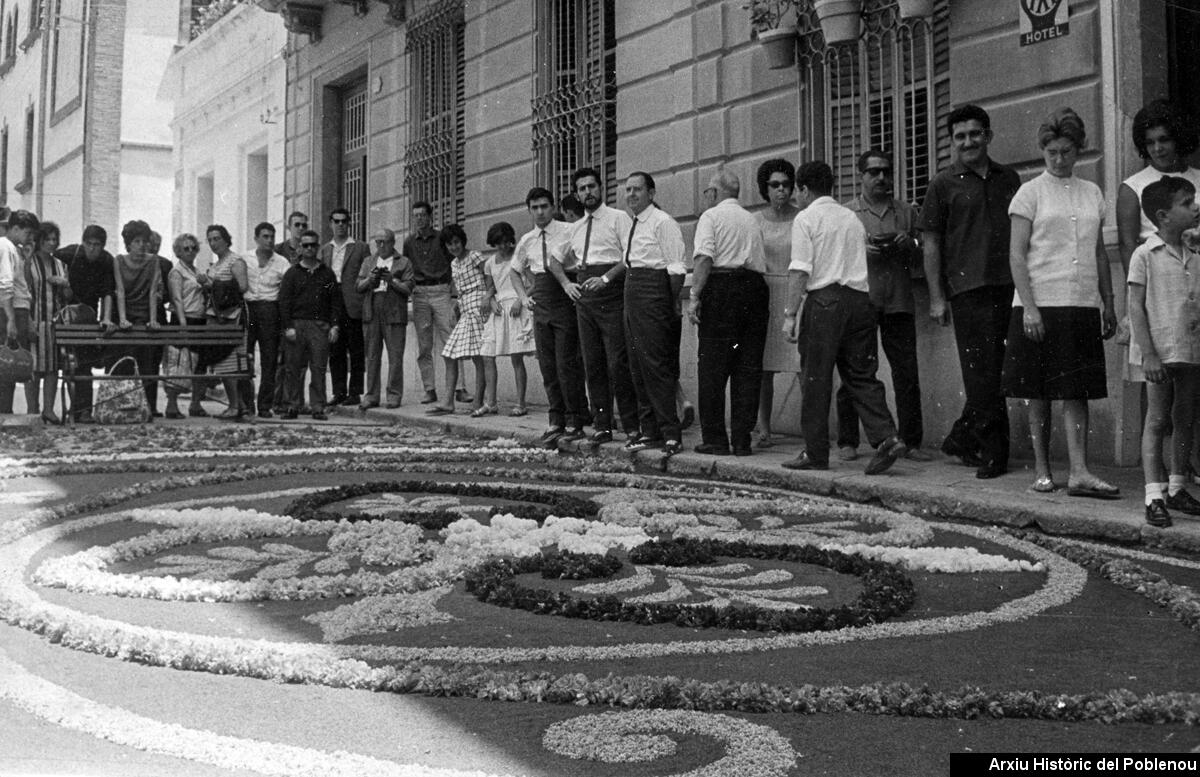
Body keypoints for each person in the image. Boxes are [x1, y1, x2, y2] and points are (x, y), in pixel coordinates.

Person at [1002, 108, 1118, 497]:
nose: (1059, 158)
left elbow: (1099, 253)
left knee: (1076, 389)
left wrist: (1108, 302)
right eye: (1051, 151)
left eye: (1066, 150)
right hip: (1039, 302)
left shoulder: (1093, 193)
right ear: (1043, 151)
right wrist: (1030, 308)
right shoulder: (1029, 193)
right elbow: (1017, 256)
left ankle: (1080, 471)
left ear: (1078, 149)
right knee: (1038, 389)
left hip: (1080, 302)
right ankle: (1041, 469)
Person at [781, 161, 906, 475]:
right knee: (862, 376)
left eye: (798, 190)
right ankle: (886, 437)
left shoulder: (806, 218)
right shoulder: (852, 218)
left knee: (816, 378)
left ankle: (815, 452)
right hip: (861, 301)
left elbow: (799, 270)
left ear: (804, 189)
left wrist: (790, 314)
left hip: (825, 301)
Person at [921, 104, 1021, 479]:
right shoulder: (942, 183)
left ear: (988, 136)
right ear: (952, 142)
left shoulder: (1009, 178)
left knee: (1002, 372)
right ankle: (994, 453)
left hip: (1008, 288)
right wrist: (935, 297)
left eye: (975, 134)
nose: (968, 142)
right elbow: (931, 243)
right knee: (981, 375)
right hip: (967, 290)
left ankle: (962, 437)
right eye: (960, 136)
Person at [837, 150, 929, 462]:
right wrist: (861, 250)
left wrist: (910, 243)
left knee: (907, 373)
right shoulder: (847, 213)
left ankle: (911, 441)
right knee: (856, 372)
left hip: (899, 301)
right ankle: (848, 440)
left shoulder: (906, 211)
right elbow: (837, 257)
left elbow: (924, 252)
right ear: (860, 176)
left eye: (886, 172)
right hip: (861, 301)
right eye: (873, 172)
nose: (881, 178)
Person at [1128, 177, 1200, 527]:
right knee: (1157, 419)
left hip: (1190, 348)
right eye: (1187, 203)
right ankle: (1153, 494)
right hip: (1159, 349)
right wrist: (1149, 354)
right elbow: (1136, 307)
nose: (1196, 207)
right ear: (1163, 215)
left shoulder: (1194, 256)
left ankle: (1176, 486)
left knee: (1184, 416)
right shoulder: (1145, 254)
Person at [686, 169, 768, 458]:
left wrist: (694, 297)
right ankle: (743, 439)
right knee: (747, 367)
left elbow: (704, 258)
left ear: (716, 192)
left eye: (709, 191)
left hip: (722, 290)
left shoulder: (711, 217)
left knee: (713, 369)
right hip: (754, 291)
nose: (707, 196)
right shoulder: (752, 219)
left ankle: (716, 439)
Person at [560, 166, 638, 443]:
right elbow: (554, 261)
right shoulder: (576, 227)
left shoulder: (619, 218)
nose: (587, 192)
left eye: (591, 186)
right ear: (576, 194)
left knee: (618, 362)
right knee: (592, 363)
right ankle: (602, 424)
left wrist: (606, 278)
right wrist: (567, 284)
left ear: (601, 188)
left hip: (612, 293)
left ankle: (631, 425)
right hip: (585, 298)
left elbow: (630, 256)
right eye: (582, 189)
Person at [510, 187, 588, 441]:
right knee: (548, 365)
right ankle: (556, 420)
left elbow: (581, 261)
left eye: (544, 206)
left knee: (568, 364)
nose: (540, 212)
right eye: (535, 208)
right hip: (541, 302)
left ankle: (576, 420)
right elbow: (514, 271)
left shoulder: (568, 230)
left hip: (565, 298)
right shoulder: (527, 239)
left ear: (553, 207)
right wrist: (523, 298)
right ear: (529, 210)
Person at [622, 171, 686, 450]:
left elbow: (676, 269)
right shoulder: (632, 223)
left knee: (656, 365)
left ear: (651, 193)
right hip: (632, 289)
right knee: (636, 365)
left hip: (654, 290)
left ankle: (671, 432)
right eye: (628, 190)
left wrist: (666, 301)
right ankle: (650, 431)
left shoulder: (663, 222)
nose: (632, 195)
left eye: (637, 190)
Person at [753, 159, 802, 449]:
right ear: (765, 188)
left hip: (796, 291)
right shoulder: (756, 221)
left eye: (785, 184)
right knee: (764, 368)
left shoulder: (802, 217)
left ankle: (812, 429)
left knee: (803, 365)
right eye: (774, 185)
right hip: (767, 293)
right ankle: (764, 428)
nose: (781, 190)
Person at [404, 201, 469, 405]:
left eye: (423, 215)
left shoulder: (442, 237)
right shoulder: (408, 242)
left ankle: (460, 388)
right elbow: (407, 267)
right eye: (415, 215)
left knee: (451, 339)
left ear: (430, 217)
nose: (419, 219)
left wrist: (454, 293)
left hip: (441, 290)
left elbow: (455, 261)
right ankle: (429, 389)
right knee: (424, 345)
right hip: (420, 293)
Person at [279, 230, 344, 420]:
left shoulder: (327, 274)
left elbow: (335, 302)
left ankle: (317, 407)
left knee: (318, 368)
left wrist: (334, 326)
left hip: (319, 326)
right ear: (300, 247)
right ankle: (292, 405)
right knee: (293, 367)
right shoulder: (292, 273)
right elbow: (284, 302)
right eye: (305, 245)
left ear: (318, 247)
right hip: (297, 326)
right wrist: (288, 326)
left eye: (313, 245)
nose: (309, 249)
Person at [55, 225, 115, 423]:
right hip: (66, 315)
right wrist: (61, 281)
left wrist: (105, 318)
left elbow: (108, 292)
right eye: (89, 244)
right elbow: (48, 257)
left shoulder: (106, 260)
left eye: (97, 245)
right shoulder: (69, 253)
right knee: (70, 364)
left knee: (85, 364)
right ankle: (74, 409)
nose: (92, 249)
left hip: (89, 316)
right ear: (83, 243)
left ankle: (85, 411)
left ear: (103, 246)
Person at [428, 225, 488, 416]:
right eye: (449, 244)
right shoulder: (454, 263)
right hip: (464, 307)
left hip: (479, 305)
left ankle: (478, 401)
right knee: (449, 353)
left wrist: (488, 299)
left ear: (462, 241)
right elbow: (460, 291)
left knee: (479, 356)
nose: (454, 247)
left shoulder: (475, 256)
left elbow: (489, 279)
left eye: (456, 242)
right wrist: (455, 308)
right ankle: (447, 402)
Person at [355, 228, 414, 410]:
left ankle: (394, 395)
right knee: (372, 355)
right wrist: (370, 280)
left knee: (395, 355)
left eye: (384, 242)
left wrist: (391, 280)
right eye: (377, 242)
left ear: (392, 243)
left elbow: (408, 288)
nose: (380, 245)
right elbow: (358, 286)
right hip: (372, 310)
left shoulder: (403, 262)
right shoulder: (368, 261)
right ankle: (371, 395)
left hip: (394, 311)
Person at [480, 221, 534, 416]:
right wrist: (490, 299)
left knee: (516, 357)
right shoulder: (489, 263)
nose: (503, 246)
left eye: (506, 242)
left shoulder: (519, 258)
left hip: (516, 308)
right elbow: (491, 287)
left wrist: (522, 299)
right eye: (498, 243)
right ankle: (491, 402)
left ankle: (521, 404)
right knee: (487, 354)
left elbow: (534, 283)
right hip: (499, 310)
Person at [111, 220, 164, 413]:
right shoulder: (119, 260)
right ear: (129, 243)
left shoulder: (153, 261)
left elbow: (152, 292)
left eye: (144, 241)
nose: (141, 245)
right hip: (125, 314)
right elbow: (120, 291)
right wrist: (123, 319)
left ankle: (148, 407)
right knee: (125, 358)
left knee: (148, 360)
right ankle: (125, 406)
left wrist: (153, 319)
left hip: (145, 315)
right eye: (137, 241)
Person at [319, 208, 368, 408]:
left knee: (355, 349)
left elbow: (365, 273)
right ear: (330, 223)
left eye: (344, 222)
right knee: (335, 349)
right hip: (332, 301)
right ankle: (339, 392)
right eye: (336, 221)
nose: (340, 225)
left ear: (349, 224)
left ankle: (355, 392)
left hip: (352, 301)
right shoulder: (325, 250)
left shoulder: (360, 247)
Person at [201, 224, 249, 420]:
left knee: (233, 363)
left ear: (226, 239)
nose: (213, 243)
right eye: (210, 239)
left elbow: (243, 287)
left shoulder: (235, 261)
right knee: (222, 364)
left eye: (217, 238)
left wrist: (214, 285)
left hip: (232, 319)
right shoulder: (216, 264)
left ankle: (237, 406)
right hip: (216, 319)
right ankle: (236, 405)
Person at [243, 222, 290, 418]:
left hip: (270, 310)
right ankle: (246, 404)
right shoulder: (244, 259)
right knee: (244, 356)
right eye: (265, 236)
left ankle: (264, 405)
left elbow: (287, 292)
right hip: (247, 309)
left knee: (269, 359)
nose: (269, 240)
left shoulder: (282, 263)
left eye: (272, 236)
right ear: (256, 239)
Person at [25, 222, 70, 423]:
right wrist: (27, 321)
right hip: (34, 320)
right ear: (39, 240)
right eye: (47, 239)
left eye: (54, 239)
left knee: (52, 368)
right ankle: (32, 409)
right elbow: (23, 295)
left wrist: (65, 284)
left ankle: (49, 410)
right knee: (33, 368)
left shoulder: (60, 265)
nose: (51, 243)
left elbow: (68, 297)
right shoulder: (28, 263)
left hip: (54, 323)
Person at [164, 233, 209, 419]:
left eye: (193, 248)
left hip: (199, 319)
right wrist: (182, 324)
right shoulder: (177, 272)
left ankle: (196, 404)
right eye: (186, 248)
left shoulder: (195, 271)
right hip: (183, 320)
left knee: (199, 363)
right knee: (178, 362)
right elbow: (177, 298)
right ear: (178, 252)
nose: (190, 251)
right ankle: (172, 405)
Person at [0, 210, 38, 415]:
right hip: (10, 311)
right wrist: (11, 320)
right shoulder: (5, 247)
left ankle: (6, 410)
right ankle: (4, 411)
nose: (30, 238)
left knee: (12, 366)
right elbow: (5, 285)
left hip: (20, 310)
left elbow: (22, 285)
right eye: (28, 232)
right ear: (15, 228)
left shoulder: (16, 250)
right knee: (6, 364)